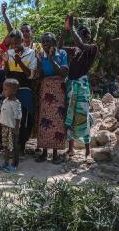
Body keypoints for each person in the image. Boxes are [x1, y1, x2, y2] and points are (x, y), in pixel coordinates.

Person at [59, 15, 98, 158]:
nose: (79, 38)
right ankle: (71, 148)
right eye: (78, 35)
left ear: (87, 37)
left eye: (82, 35)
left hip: (81, 86)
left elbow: (81, 45)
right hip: (71, 85)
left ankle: (87, 149)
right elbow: (59, 47)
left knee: (82, 116)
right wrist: (65, 29)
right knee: (70, 115)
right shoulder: (75, 49)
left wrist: (72, 28)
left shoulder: (92, 48)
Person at [2, 30, 37, 156]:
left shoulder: (31, 53)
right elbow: (6, 74)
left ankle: (21, 146)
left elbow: (30, 75)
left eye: (17, 43)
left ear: (22, 41)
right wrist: (6, 62)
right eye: (12, 44)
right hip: (12, 92)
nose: (15, 46)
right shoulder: (9, 53)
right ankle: (11, 146)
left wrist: (20, 62)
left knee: (23, 120)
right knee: (11, 120)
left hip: (25, 91)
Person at [35, 32, 68, 164]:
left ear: (54, 43)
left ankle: (55, 153)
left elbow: (63, 72)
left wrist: (51, 59)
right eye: (43, 42)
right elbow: (41, 74)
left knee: (57, 121)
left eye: (48, 41)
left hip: (59, 89)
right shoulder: (40, 55)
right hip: (46, 88)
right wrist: (39, 62)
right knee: (44, 120)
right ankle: (44, 152)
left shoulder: (62, 54)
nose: (45, 44)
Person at [0, 78, 21, 173]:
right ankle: (6, 163)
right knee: (6, 146)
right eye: (3, 89)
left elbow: (18, 117)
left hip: (12, 128)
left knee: (13, 147)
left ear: (14, 91)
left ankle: (14, 165)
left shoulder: (16, 103)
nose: (3, 91)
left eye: (5, 89)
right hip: (4, 127)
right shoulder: (5, 101)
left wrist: (16, 129)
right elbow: (2, 114)